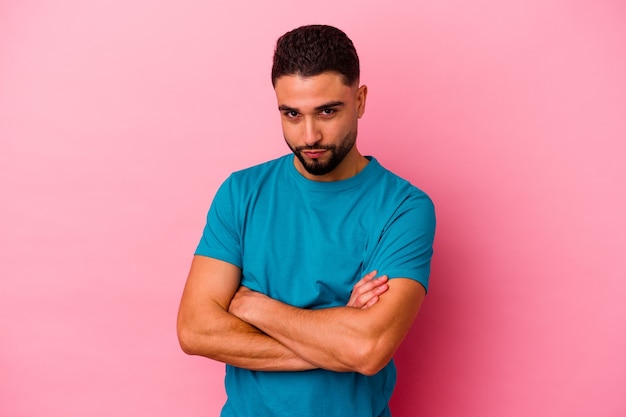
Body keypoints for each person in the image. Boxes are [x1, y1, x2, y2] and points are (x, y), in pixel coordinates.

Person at [177, 24, 436, 417]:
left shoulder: (404, 207)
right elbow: (195, 330)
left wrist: (253, 307)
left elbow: (368, 350)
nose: (310, 135)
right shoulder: (240, 193)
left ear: (360, 100)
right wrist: (336, 337)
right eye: (292, 114)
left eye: (327, 111)